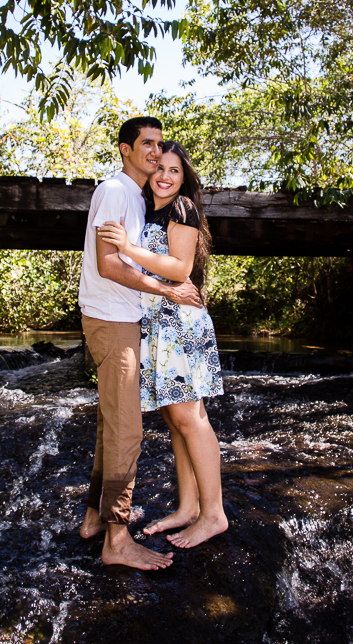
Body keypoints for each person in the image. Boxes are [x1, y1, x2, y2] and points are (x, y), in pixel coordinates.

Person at [77, 117, 203, 570]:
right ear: (125, 149)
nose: (154, 151)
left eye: (158, 144)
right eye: (146, 143)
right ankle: (117, 539)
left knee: (111, 426)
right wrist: (169, 290)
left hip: (119, 319)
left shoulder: (135, 194)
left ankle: (94, 519)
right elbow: (109, 265)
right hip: (113, 320)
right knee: (126, 431)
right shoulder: (117, 190)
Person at [97, 141, 229, 549]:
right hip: (158, 325)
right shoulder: (148, 210)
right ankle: (188, 507)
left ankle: (213, 514)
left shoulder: (181, 208)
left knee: (191, 418)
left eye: (175, 170)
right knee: (175, 420)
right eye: (160, 168)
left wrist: (128, 247)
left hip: (179, 324)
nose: (166, 176)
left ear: (184, 177)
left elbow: (180, 267)